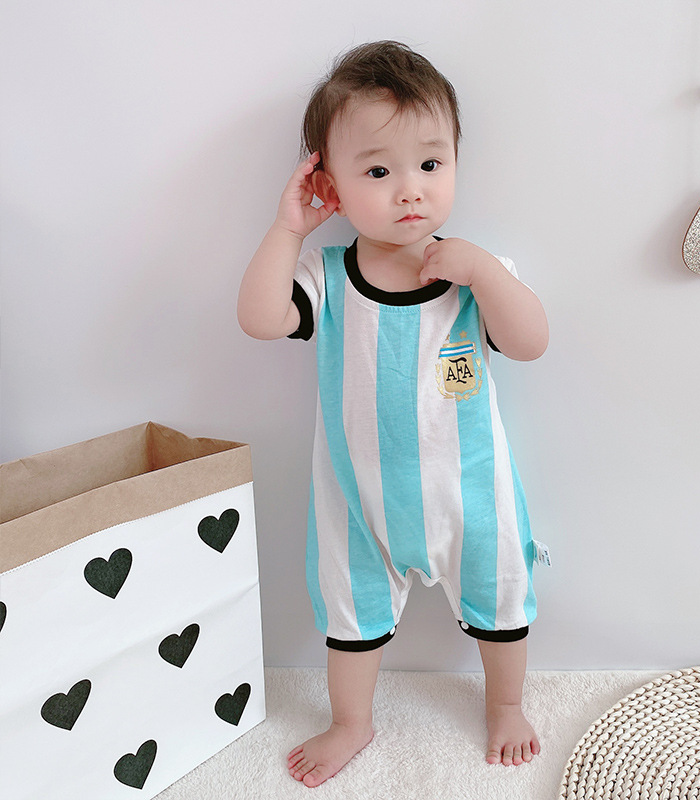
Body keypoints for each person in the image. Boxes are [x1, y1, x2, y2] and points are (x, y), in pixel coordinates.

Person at [238, 40, 549, 788]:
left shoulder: (476, 275)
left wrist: (482, 271)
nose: (410, 190)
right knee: (351, 613)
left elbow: (531, 342)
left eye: (431, 164)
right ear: (331, 186)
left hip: (471, 493)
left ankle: (505, 704)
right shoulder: (328, 277)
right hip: (361, 500)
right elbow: (259, 318)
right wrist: (288, 230)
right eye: (378, 172)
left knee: (501, 597)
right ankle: (352, 721)